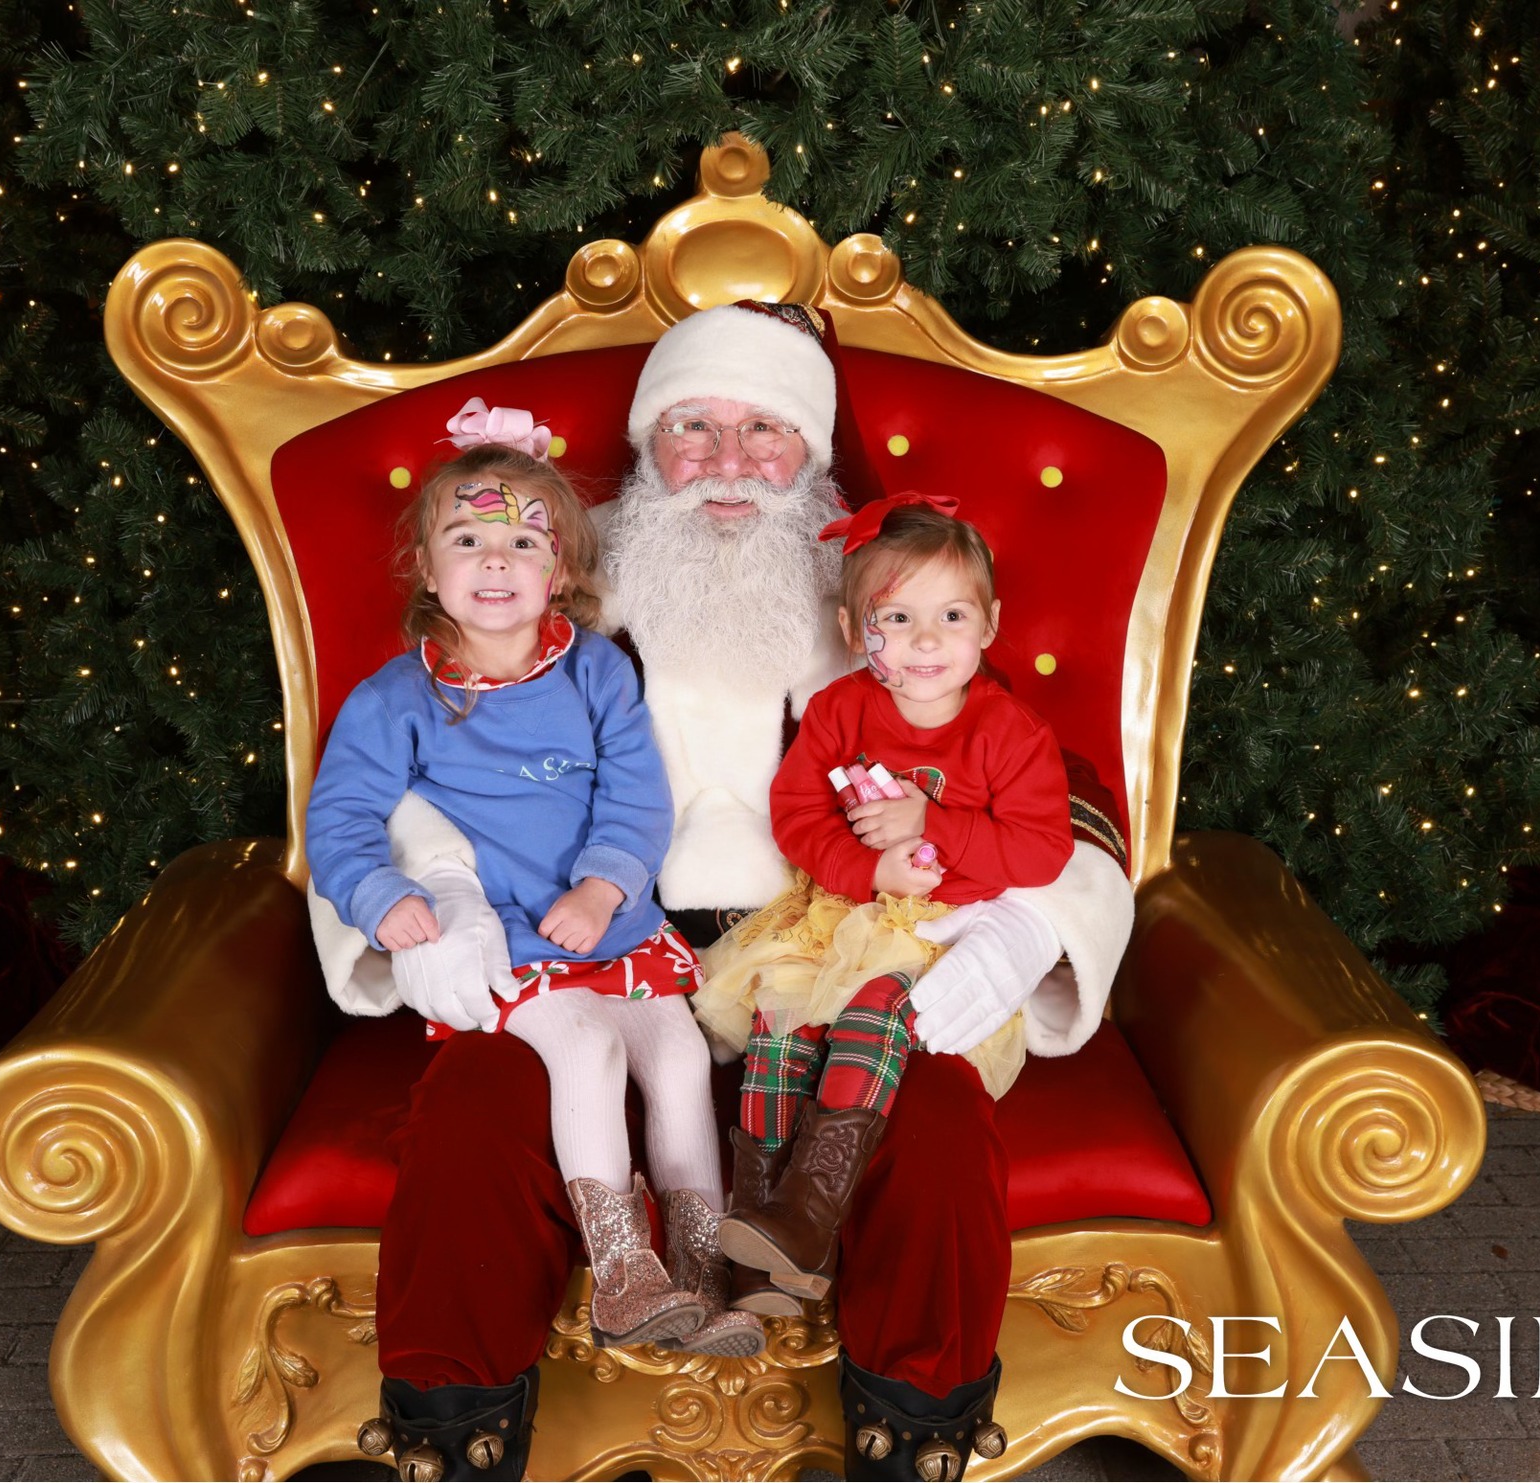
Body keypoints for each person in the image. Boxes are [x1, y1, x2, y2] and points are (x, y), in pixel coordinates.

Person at [350, 301, 1136, 1483]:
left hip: (827, 963)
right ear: (644, 452)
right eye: (691, 429)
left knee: (931, 1121)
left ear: (812, 454)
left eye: (763, 430)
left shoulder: (888, 618)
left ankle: (909, 1446)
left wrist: (1023, 928)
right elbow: (400, 773)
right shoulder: (539, 603)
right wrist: (428, 909)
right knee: (468, 1110)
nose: (725, 464)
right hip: (592, 965)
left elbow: (1046, 783)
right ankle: (449, 1452)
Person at [304, 444, 764, 1375]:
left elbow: (638, 797)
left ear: (558, 571)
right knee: (587, 1050)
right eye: (468, 539)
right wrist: (380, 893)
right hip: (511, 945)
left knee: (675, 1052)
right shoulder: (399, 697)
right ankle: (622, 1268)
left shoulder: (595, 672)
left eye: (523, 541)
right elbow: (342, 814)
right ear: (429, 570)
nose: (497, 561)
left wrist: (602, 886)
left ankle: (702, 1262)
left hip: (614, 923)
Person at [698, 494, 1075, 1308]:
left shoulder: (1010, 732)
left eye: (950, 614)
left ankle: (810, 1216)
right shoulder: (840, 710)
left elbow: (1043, 848)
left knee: (871, 1012)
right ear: (851, 628)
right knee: (781, 1024)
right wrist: (867, 871)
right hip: (842, 909)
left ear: (990, 623)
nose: (927, 639)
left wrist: (933, 823)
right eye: (896, 617)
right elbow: (797, 817)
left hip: (942, 927)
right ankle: (759, 1231)